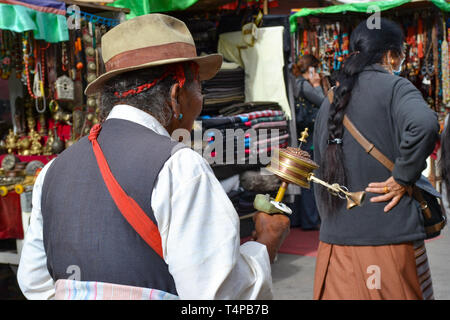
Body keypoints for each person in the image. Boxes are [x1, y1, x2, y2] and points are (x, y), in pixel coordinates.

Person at [16, 14, 290, 300]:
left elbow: (35, 283)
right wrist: (265, 246)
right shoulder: (179, 167)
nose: (201, 100)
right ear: (176, 94)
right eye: (199, 88)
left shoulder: (53, 171)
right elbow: (217, 296)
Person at [312, 18, 439, 300]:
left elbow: (318, 168)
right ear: (389, 55)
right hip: (387, 242)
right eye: (401, 55)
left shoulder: (330, 99)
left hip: (335, 245)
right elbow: (426, 123)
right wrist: (403, 177)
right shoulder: (396, 88)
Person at [291, 54, 326, 230]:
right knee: (310, 180)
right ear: (311, 68)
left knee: (300, 177)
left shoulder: (295, 83)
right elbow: (324, 102)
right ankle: (310, 219)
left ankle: (299, 218)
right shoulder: (305, 85)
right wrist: (318, 85)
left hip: (299, 135)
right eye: (316, 68)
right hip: (309, 136)